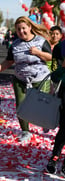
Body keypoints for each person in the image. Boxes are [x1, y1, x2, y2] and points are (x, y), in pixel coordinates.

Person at [0, 16, 52, 142]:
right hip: (20, 78)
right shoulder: (15, 45)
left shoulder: (40, 41)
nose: (21, 31)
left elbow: (51, 57)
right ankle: (25, 132)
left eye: (23, 28)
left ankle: (45, 120)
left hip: (40, 78)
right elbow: (8, 61)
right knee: (21, 106)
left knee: (40, 105)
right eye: (18, 30)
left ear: (29, 27)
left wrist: (38, 53)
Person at [46, 40, 65, 175]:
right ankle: (54, 157)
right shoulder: (61, 46)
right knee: (64, 128)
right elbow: (53, 71)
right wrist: (62, 68)